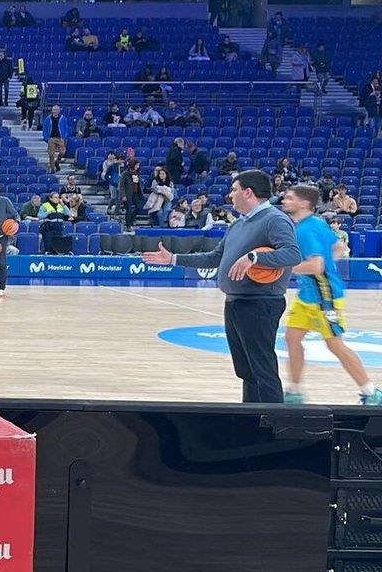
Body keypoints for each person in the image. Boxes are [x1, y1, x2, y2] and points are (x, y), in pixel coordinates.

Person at [141, 169, 303, 402]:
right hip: (236, 301)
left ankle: (274, 423)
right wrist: (174, 259)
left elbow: (292, 254)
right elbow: (215, 257)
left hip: (260, 302)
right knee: (246, 371)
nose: (230, 195)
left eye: (234, 190)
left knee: (262, 369)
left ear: (248, 192)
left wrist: (253, 258)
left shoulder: (274, 220)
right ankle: (251, 419)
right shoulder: (237, 225)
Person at [279, 183, 381, 405]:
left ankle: (371, 391)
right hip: (307, 294)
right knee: (291, 338)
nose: (284, 201)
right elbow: (339, 248)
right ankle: (294, 391)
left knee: (334, 344)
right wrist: (328, 267)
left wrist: (283, 267)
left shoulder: (306, 229)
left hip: (324, 295)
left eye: (289, 198)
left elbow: (316, 266)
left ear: (304, 203)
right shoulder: (316, 223)